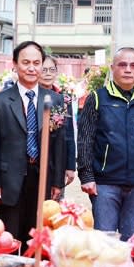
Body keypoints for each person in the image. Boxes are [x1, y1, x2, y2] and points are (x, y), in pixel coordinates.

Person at [77, 47, 134, 241]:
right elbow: (85, 139)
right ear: (112, 68)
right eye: (122, 65)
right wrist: (86, 175)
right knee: (104, 241)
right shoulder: (97, 98)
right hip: (105, 184)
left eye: (133, 65)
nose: (128, 69)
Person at [0, 41, 66, 250]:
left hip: (42, 177)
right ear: (14, 64)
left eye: (36, 63)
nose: (32, 68)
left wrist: (57, 181)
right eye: (26, 62)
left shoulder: (55, 100)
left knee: (36, 239)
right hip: (8, 179)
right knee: (9, 239)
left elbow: (59, 146)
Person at [40, 55, 76, 190]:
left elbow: (70, 134)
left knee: (53, 205)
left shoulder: (64, 98)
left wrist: (70, 166)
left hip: (58, 159)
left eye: (52, 69)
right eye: (44, 70)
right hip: (36, 159)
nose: (48, 74)